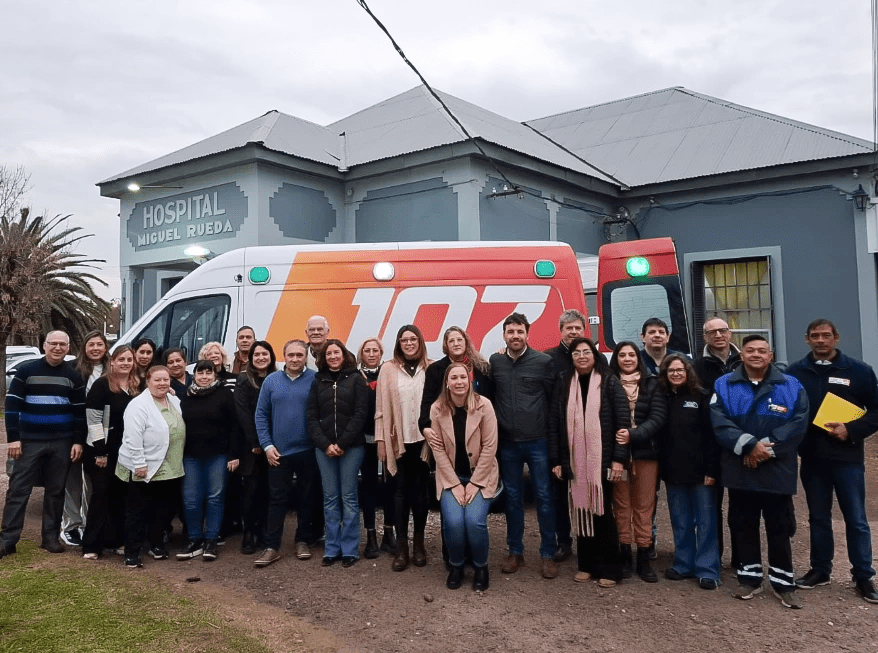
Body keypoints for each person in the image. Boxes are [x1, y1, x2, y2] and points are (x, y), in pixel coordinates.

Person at [711, 335, 808, 609]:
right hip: (740, 466)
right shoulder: (724, 384)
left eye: (761, 350)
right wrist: (749, 446)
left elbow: (799, 422)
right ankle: (749, 578)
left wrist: (764, 450)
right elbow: (719, 421)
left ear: (771, 354)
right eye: (750, 350)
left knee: (779, 526)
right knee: (744, 524)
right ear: (741, 355)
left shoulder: (790, 385)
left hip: (777, 467)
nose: (756, 354)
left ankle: (782, 582)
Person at [786, 319, 878, 603]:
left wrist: (851, 430)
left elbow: (875, 411)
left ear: (836, 338)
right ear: (807, 339)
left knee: (856, 519)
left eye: (826, 335)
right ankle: (820, 570)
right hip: (812, 459)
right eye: (815, 336)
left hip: (847, 458)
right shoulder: (795, 373)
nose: (821, 340)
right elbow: (787, 412)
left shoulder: (859, 372)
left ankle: (863, 575)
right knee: (818, 517)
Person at [548, 337, 629, 587]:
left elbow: (622, 422)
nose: (581, 356)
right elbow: (555, 424)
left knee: (603, 514)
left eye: (586, 352)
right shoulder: (564, 382)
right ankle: (587, 565)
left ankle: (610, 569)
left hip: (602, 462)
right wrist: (558, 460)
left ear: (594, 355)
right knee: (581, 510)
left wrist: (618, 460)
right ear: (571, 358)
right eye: (576, 353)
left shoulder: (609, 381)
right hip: (575, 461)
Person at [1, 331, 85, 559]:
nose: (57, 348)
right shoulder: (26, 371)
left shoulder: (74, 376)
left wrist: (77, 440)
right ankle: (8, 540)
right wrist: (14, 438)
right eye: (53, 344)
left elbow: (79, 413)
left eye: (62, 344)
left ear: (68, 348)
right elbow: (12, 406)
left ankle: (50, 538)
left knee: (56, 492)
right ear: (44, 345)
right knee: (18, 490)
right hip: (29, 442)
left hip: (62, 442)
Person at [489, 312, 558, 579]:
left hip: (538, 442)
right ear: (504, 335)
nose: (515, 336)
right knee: (513, 500)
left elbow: (553, 402)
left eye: (520, 332)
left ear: (527, 334)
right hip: (508, 444)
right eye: (510, 332)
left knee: (544, 498)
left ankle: (548, 554)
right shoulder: (495, 361)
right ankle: (515, 551)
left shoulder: (543, 362)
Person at [424, 362, 500, 591]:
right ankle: (456, 565)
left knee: (474, 522)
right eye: (453, 378)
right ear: (447, 383)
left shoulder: (484, 406)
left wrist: (475, 483)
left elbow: (490, 446)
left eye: (462, 378)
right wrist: (456, 484)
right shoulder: (437, 409)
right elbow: (437, 451)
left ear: (470, 381)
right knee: (454, 522)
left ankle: (481, 567)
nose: (458, 382)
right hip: (451, 477)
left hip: (481, 475)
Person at [657, 355, 721, 589]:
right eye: (671, 370)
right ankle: (684, 564)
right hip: (674, 472)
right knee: (681, 521)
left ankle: (708, 570)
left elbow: (713, 437)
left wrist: (712, 470)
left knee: (705, 522)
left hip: (702, 473)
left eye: (680, 369)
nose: (675, 373)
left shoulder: (702, 397)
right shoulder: (662, 399)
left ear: (688, 372)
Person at [253, 339, 319, 567]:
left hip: (308, 450)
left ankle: (303, 540)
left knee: (306, 498)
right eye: (291, 355)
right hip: (277, 453)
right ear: (283, 356)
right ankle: (272, 546)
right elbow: (261, 415)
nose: (295, 359)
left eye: (299, 355)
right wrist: (267, 446)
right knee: (277, 500)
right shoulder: (271, 381)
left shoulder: (314, 379)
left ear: (306, 356)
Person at [608, 340, 667, 582]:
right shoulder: (609, 384)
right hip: (618, 458)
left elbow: (658, 417)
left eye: (632, 355)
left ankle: (644, 557)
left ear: (638, 358)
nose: (627, 359)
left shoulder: (653, 384)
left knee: (644, 507)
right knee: (621, 506)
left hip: (645, 455)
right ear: (616, 359)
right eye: (622, 355)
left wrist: (634, 434)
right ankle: (624, 556)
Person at [116, 365, 185, 568]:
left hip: (170, 467)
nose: (162, 383)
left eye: (166, 380)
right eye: (157, 380)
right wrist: (139, 463)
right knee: (137, 511)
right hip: (144, 466)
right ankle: (132, 553)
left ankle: (156, 545)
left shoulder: (173, 400)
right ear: (148, 381)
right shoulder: (138, 405)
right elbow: (132, 437)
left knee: (162, 510)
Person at [375, 325, 432, 571]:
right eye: (404, 340)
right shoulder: (388, 369)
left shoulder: (431, 367)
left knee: (421, 495)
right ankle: (402, 548)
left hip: (424, 442)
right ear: (398, 343)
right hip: (397, 441)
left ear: (420, 341)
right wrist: (380, 442)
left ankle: (419, 544)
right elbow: (379, 409)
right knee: (398, 495)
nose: (409, 343)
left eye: (413, 339)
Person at [308, 340, 368, 567]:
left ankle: (350, 549)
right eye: (329, 353)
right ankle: (332, 548)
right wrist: (325, 444)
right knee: (330, 498)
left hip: (351, 448)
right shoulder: (317, 381)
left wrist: (342, 442)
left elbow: (360, 414)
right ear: (324, 357)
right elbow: (311, 416)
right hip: (324, 449)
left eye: (337, 352)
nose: (333, 356)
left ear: (344, 355)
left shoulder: (356, 379)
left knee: (349, 498)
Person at [177, 360, 241, 562]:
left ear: (215, 375)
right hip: (190, 456)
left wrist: (233, 454)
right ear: (194, 375)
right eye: (200, 373)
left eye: (208, 373)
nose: (204, 377)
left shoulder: (224, 395)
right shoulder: (185, 396)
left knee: (215, 497)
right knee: (190, 498)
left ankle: (211, 539)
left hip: (218, 455)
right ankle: (195, 539)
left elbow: (234, 426)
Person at [693, 317, 741, 571]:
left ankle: (741, 558)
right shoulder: (697, 367)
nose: (718, 335)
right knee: (710, 509)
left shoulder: (745, 361)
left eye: (722, 330)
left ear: (730, 333)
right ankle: (714, 558)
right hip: (709, 446)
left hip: (740, 444)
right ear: (706, 338)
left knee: (740, 507)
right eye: (712, 332)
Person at [81, 346, 139, 559]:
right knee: (101, 495)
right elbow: (94, 421)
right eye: (121, 359)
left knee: (120, 496)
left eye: (129, 359)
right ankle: (91, 546)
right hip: (102, 451)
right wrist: (100, 452)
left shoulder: (136, 386)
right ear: (112, 362)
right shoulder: (101, 385)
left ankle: (114, 541)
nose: (125, 363)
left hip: (126, 451)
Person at [543, 309, 587, 562]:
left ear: (583, 330)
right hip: (559, 436)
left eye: (577, 328)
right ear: (561, 330)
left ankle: (587, 541)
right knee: (558, 494)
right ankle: (564, 541)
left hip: (586, 437)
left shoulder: (591, 357)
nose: (573, 332)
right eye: (568, 328)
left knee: (585, 492)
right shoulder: (549, 359)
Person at [62, 330, 110, 547]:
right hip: (76, 431)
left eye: (99, 344)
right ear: (84, 347)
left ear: (105, 347)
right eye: (91, 344)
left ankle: (91, 524)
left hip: (101, 435)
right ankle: (71, 525)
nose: (96, 348)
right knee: (72, 480)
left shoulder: (112, 369)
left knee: (93, 483)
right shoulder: (74, 369)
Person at [234, 340, 276, 555]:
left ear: (271, 357)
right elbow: (243, 414)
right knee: (251, 491)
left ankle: (264, 533)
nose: (260, 358)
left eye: (264, 354)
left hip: (275, 446)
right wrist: (257, 443)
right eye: (256, 355)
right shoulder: (243, 381)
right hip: (252, 447)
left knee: (270, 492)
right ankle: (248, 533)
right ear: (250, 359)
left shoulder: (278, 379)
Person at [356, 337, 397, 558]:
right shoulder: (355, 376)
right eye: (367, 350)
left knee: (390, 485)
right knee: (369, 487)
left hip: (388, 439)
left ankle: (389, 534)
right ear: (361, 354)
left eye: (375, 350)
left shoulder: (389, 373)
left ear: (381, 353)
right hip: (364, 439)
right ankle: (370, 536)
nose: (371, 354)